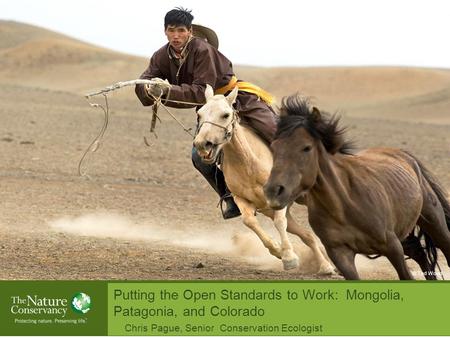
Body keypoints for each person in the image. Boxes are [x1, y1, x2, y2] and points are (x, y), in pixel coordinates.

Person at [135, 7, 278, 219]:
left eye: (181, 30)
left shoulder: (202, 50)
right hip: (211, 110)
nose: (176, 35)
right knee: (199, 156)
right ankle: (230, 197)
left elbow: (201, 91)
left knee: (275, 134)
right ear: (165, 31)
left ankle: (303, 178)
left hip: (238, 99)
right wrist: (148, 89)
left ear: (190, 31)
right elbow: (143, 83)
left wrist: (166, 91)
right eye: (171, 30)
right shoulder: (160, 56)